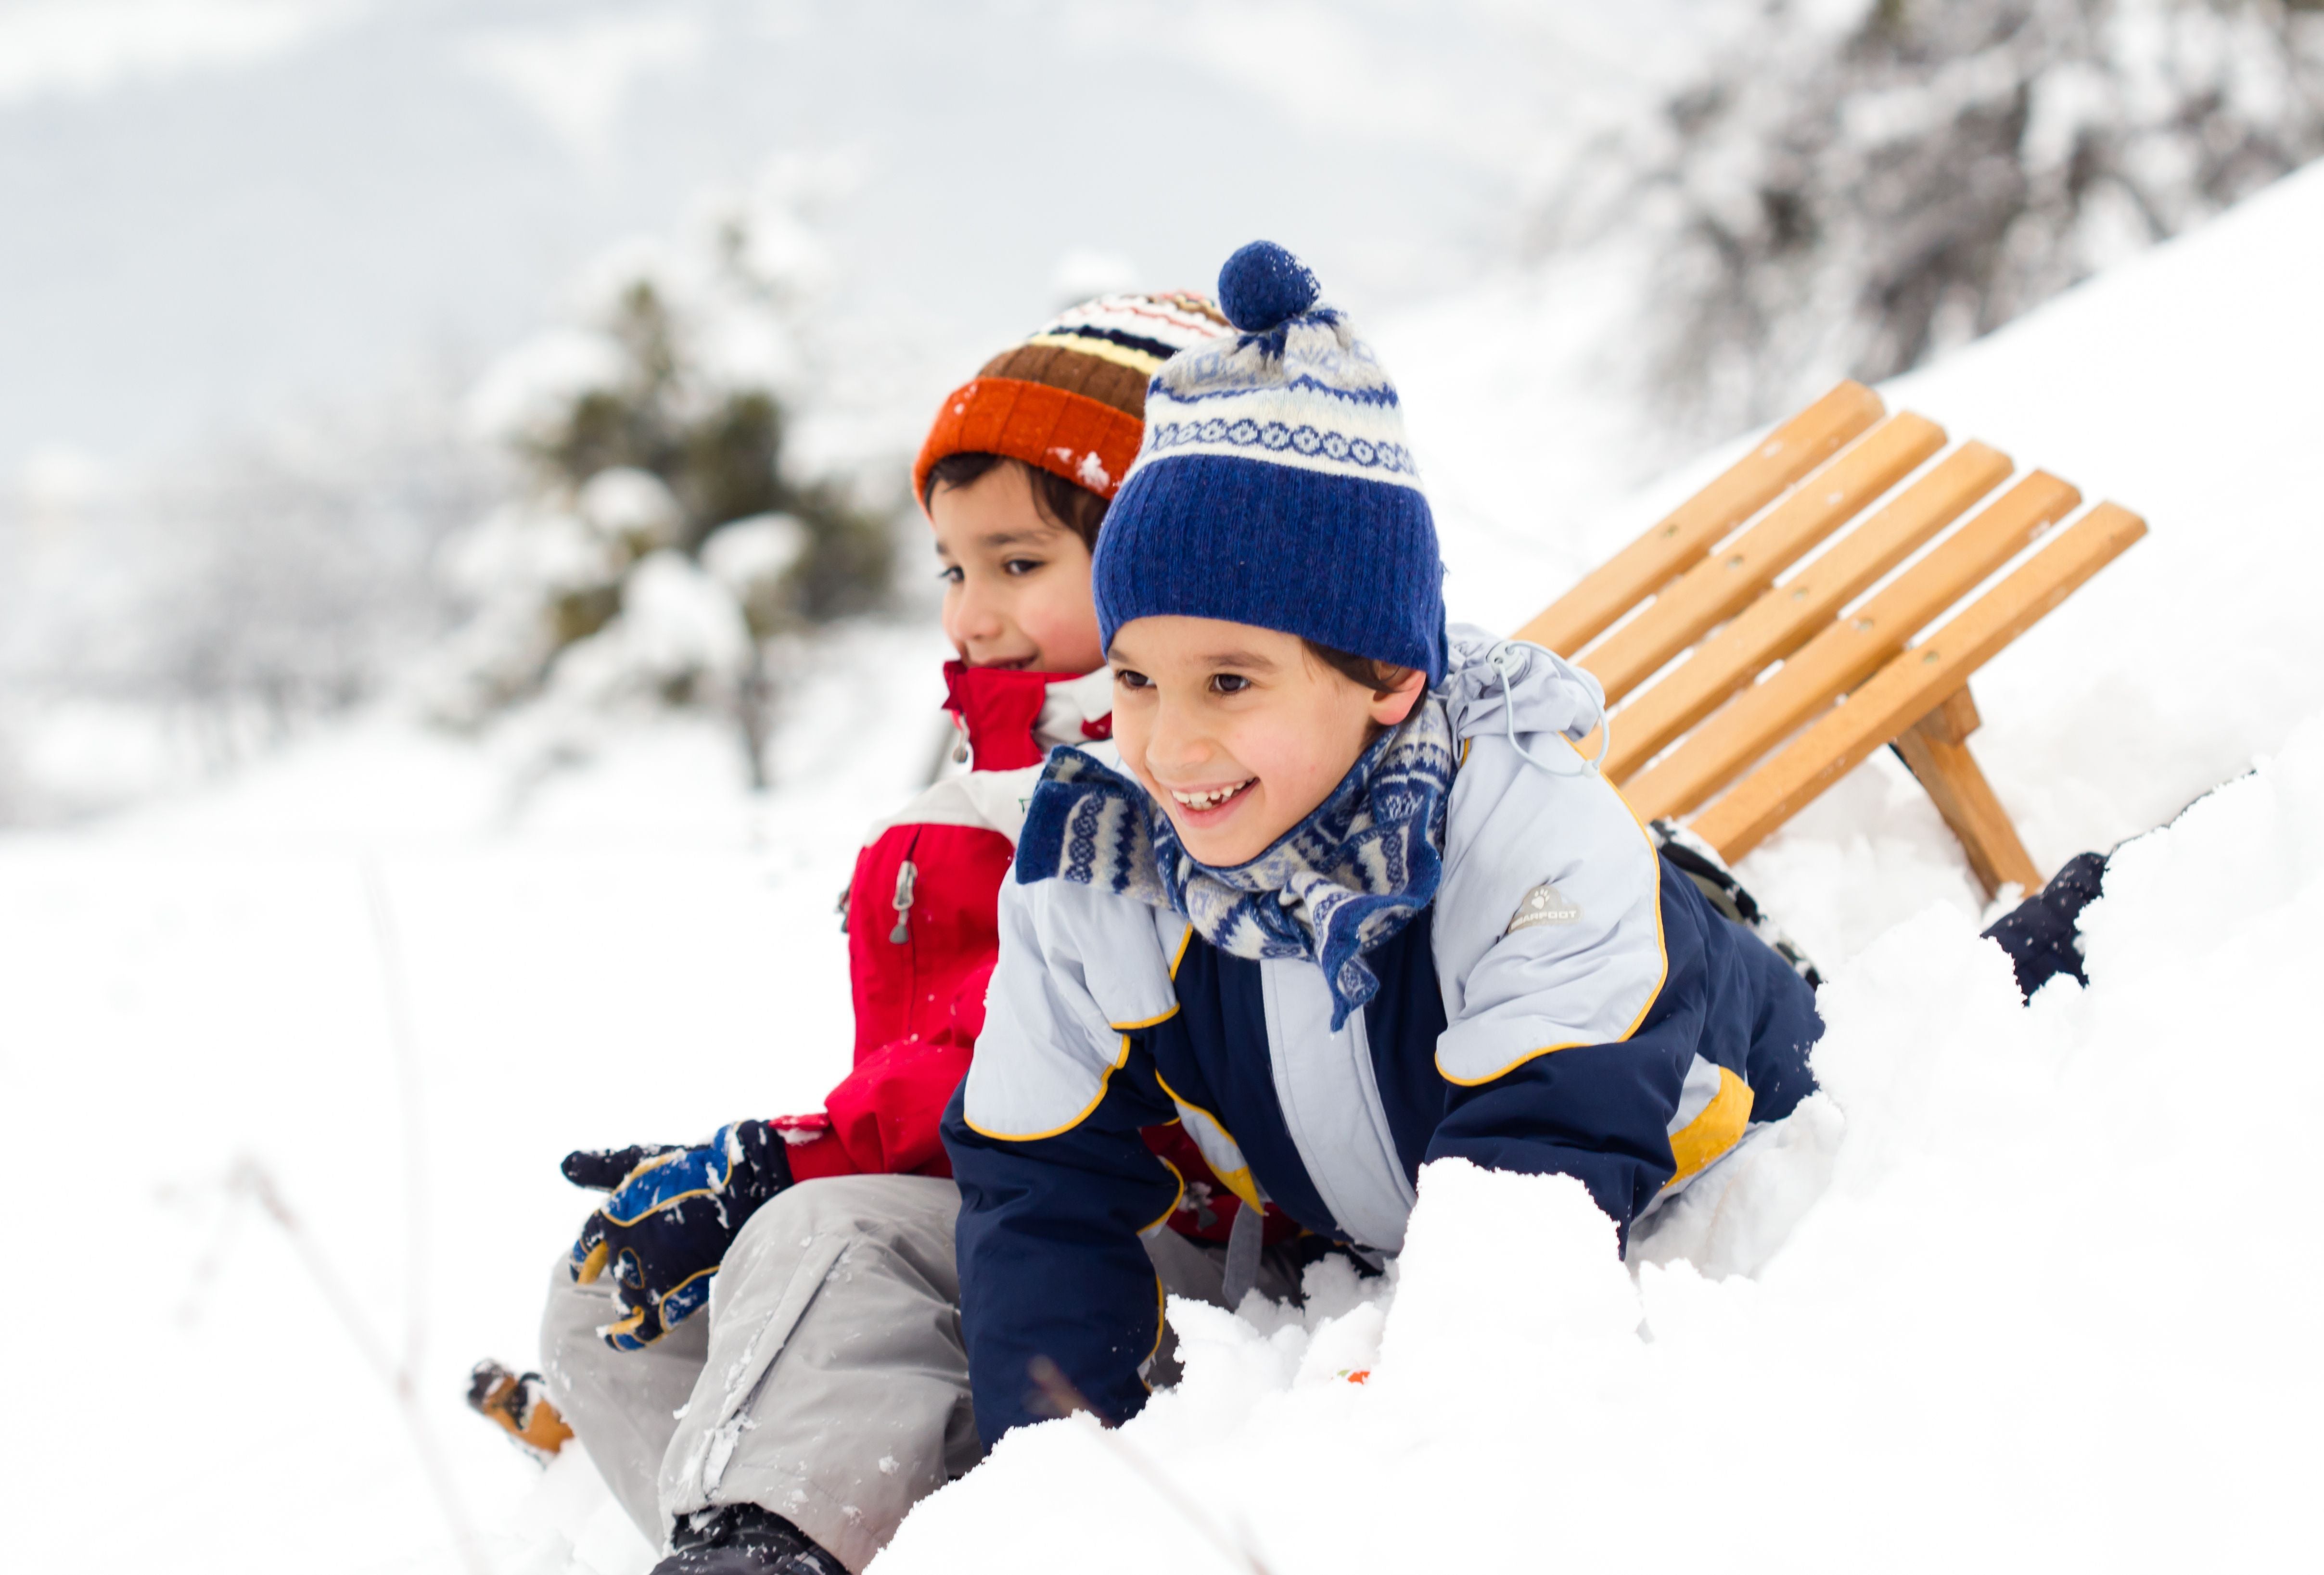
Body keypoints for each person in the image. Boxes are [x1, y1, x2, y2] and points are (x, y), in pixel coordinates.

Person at [939, 241, 1831, 1445]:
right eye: (1139, 678)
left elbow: (1539, 1162)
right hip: (1393, 1201)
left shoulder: (1523, 834)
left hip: (1698, 1135)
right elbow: (1036, 1182)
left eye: (1232, 680)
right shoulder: (1104, 855)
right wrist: (1056, 1473)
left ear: (1390, 677)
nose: (1173, 745)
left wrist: (1408, 1412)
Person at [528, 290, 1305, 1575]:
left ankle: (778, 1543)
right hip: (984, 1217)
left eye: (1017, 564)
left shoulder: (1182, 774)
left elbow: (1051, 1063)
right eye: (953, 568)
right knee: (613, 1306)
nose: (970, 615)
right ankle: (755, 1535)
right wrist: (784, 1160)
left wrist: (791, 1164)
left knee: (818, 1237)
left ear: (1159, 552)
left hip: (1147, 1239)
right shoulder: (978, 785)